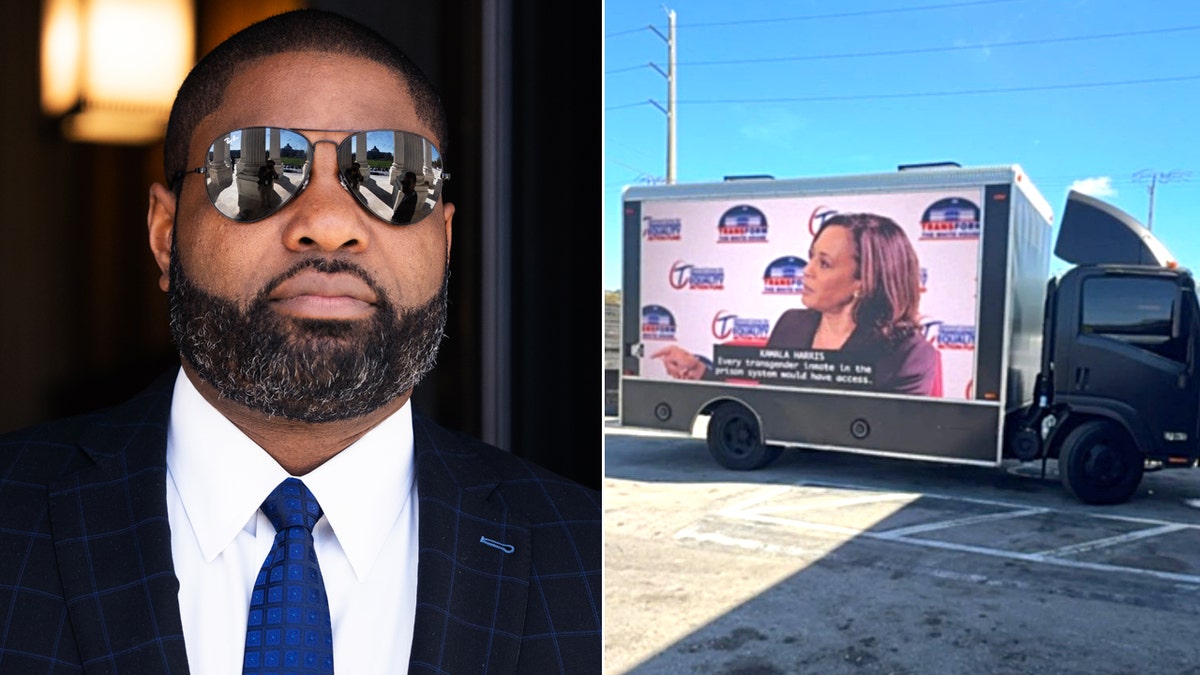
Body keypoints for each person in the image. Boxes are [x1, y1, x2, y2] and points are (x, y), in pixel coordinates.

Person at [0, 9, 600, 675]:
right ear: (165, 233)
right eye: (257, 165)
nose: (327, 223)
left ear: (446, 242)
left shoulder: (588, 555)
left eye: (392, 174)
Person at [652, 212, 939, 395]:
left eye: (824, 263)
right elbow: (767, 403)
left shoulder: (908, 354)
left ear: (863, 281)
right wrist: (701, 373)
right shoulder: (793, 323)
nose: (807, 270)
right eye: (811, 256)